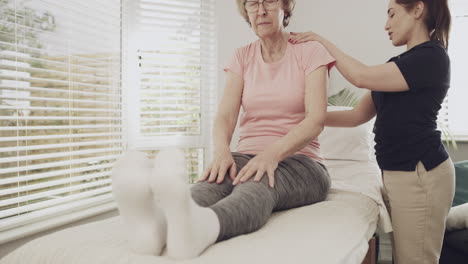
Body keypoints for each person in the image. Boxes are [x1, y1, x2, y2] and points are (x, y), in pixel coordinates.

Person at [111, 0, 336, 260]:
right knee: (212, 182)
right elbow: (226, 115)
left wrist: (271, 154)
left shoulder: (310, 52)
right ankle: (158, 227)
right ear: (246, 12)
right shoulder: (242, 56)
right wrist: (221, 153)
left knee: (258, 182)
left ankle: (203, 228)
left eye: (270, 1)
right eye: (253, 3)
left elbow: (315, 119)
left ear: (285, 7)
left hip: (302, 162)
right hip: (247, 155)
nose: (261, 10)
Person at [288, 0, 455, 263]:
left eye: (391, 14)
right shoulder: (400, 63)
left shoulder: (431, 57)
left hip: (420, 174)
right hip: (399, 173)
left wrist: (321, 41)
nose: (386, 25)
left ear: (417, 9)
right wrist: (305, 118)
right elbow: (357, 116)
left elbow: (361, 76)